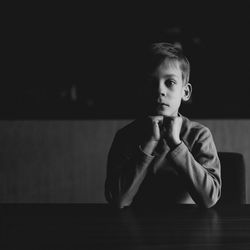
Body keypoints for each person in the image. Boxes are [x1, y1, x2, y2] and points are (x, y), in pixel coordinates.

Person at [105, 42, 221, 209]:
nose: (160, 90)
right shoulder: (126, 136)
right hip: (138, 228)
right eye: (152, 83)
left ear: (185, 92)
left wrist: (176, 144)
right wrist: (149, 144)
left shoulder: (199, 135)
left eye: (170, 82)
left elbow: (209, 199)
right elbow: (118, 200)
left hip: (189, 228)